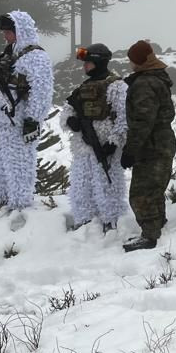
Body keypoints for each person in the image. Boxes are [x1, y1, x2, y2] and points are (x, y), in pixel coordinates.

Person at [0, 11, 54, 212]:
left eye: (9, 31)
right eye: (4, 31)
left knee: (17, 164)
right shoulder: (7, 55)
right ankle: (2, 200)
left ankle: (20, 206)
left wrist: (33, 120)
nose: (5, 35)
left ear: (21, 30)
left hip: (18, 121)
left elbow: (42, 91)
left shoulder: (36, 57)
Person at [63, 43, 128, 232]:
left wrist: (114, 142)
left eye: (88, 62)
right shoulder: (83, 87)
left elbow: (124, 117)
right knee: (81, 185)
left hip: (105, 147)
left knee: (108, 185)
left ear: (99, 62)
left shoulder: (117, 86)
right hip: (83, 147)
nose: (85, 66)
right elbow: (68, 109)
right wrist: (70, 121)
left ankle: (112, 221)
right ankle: (85, 221)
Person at [121, 40, 176, 252]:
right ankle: (158, 223)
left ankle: (150, 235)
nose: (130, 64)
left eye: (132, 60)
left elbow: (143, 122)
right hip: (163, 141)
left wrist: (131, 150)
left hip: (151, 145)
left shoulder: (144, 84)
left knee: (140, 193)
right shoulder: (157, 78)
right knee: (154, 189)